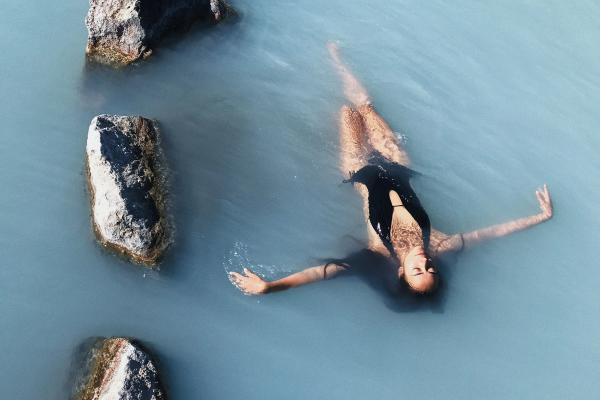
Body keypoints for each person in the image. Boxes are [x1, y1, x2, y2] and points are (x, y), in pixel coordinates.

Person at [230, 43, 553, 296]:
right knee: (366, 106)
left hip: (360, 172)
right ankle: (336, 58)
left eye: (417, 272)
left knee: (347, 113)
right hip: (398, 166)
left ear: (401, 272)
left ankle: (331, 61)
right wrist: (541, 216)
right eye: (431, 271)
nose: (425, 265)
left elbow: (324, 272)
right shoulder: (441, 244)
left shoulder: (379, 253)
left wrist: (271, 286)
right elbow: (493, 232)